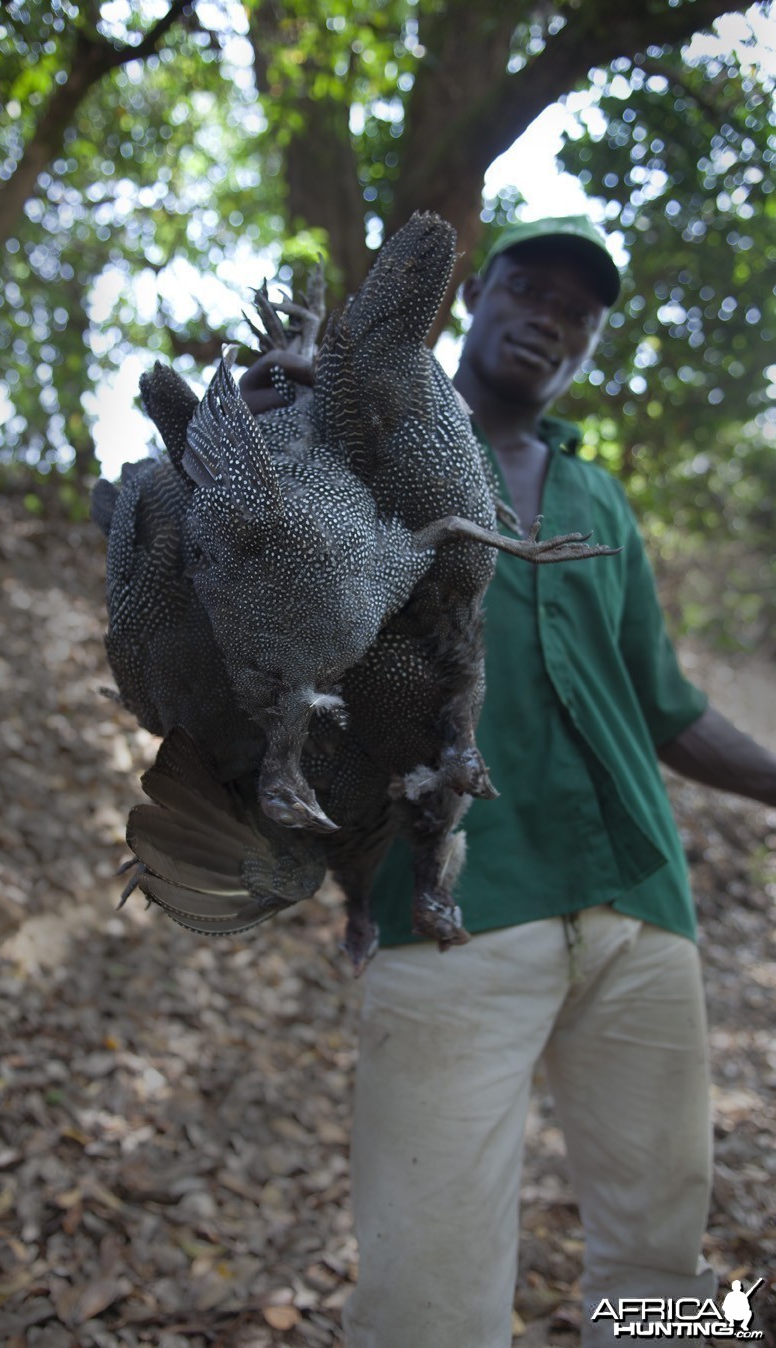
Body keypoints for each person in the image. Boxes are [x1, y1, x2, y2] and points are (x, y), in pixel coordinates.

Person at [240, 215, 776, 1348]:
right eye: (529, 289)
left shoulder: (599, 498)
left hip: (639, 906)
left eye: (576, 313)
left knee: (661, 1255)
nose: (549, 319)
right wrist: (275, 420)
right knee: (425, 1287)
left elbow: (666, 707)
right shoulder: (372, 445)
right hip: (453, 915)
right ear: (474, 293)